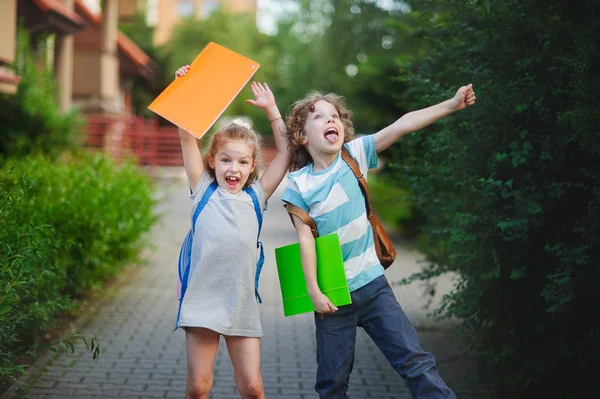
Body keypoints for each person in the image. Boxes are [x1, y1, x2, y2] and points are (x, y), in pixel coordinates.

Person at [281, 84, 476, 398]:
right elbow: (305, 241)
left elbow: (403, 124)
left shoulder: (355, 154)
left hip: (373, 286)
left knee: (415, 363)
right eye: (318, 117)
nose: (330, 120)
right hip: (333, 298)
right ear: (303, 136)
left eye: (335, 116)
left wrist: (452, 105)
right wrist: (314, 292)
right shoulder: (298, 184)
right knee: (332, 384)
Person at [173, 64, 290, 399]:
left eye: (241, 162)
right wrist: (186, 88)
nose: (233, 168)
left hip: (241, 302)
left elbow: (285, 153)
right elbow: (186, 135)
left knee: (252, 388)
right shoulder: (203, 188)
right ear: (212, 161)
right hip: (202, 300)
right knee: (198, 386)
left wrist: (272, 110)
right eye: (225, 160)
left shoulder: (258, 195)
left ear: (253, 165)